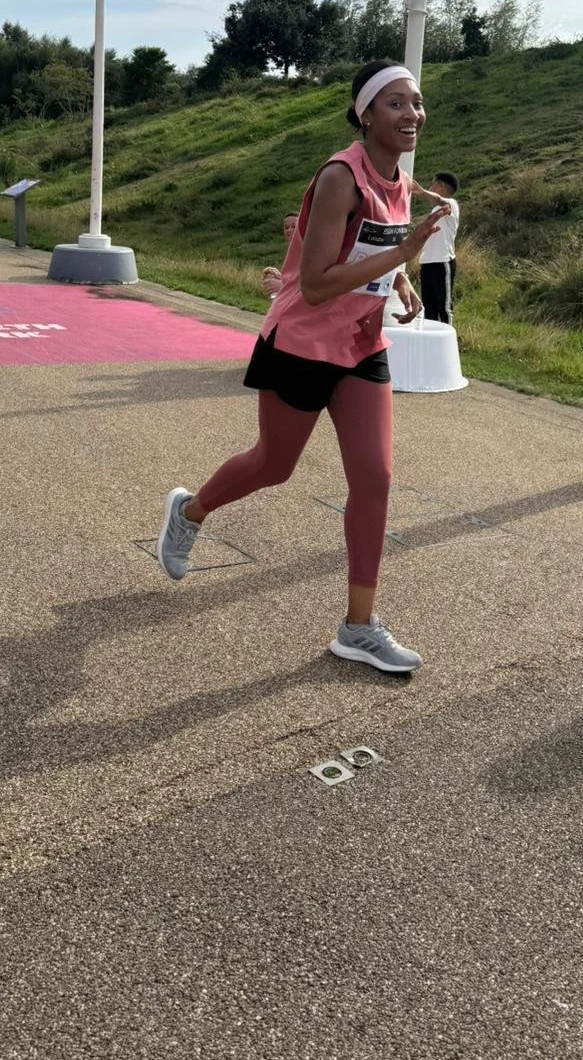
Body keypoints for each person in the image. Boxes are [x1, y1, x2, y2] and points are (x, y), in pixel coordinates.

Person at [155, 60, 448, 674]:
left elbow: (366, 250)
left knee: (374, 479)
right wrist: (402, 254)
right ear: (365, 114)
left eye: (416, 102)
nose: (411, 114)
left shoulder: (400, 179)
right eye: (395, 104)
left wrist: (398, 281)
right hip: (302, 343)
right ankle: (189, 512)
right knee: (274, 465)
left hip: (362, 347)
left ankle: (358, 628)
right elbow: (315, 284)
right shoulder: (341, 176)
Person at [413, 171, 460, 324]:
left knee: (444, 307)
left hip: (443, 262)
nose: (430, 187)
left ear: (441, 186)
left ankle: (448, 340)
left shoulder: (451, 204)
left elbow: (439, 200)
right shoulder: (434, 211)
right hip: (427, 263)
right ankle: (431, 342)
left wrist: (420, 191)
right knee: (428, 308)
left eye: (433, 184)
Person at [262, 214, 300, 299]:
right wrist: (279, 276)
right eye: (286, 227)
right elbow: (295, 279)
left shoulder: (308, 252)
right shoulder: (291, 252)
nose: (289, 230)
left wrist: (282, 286)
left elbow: (312, 287)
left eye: (294, 226)